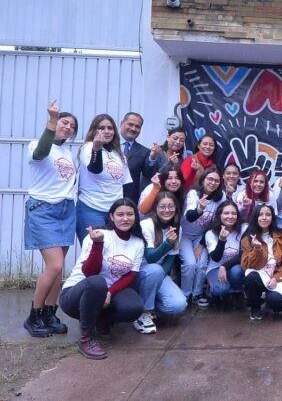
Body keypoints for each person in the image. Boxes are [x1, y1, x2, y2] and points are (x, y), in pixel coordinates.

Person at [60, 199, 145, 360]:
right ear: (111, 217)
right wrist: (97, 244)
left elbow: (131, 275)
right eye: (120, 214)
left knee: (134, 307)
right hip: (75, 295)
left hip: (106, 294)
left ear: (135, 217)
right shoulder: (99, 235)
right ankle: (86, 338)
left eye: (130, 214)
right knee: (97, 282)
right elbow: (89, 272)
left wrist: (110, 293)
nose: (125, 218)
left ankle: (101, 321)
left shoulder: (138, 242)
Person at [23, 100, 78, 338]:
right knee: (53, 265)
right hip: (43, 209)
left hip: (66, 210)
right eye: (64, 122)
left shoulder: (67, 151)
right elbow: (41, 153)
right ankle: (33, 316)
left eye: (72, 126)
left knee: (59, 268)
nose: (67, 127)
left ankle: (49, 313)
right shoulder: (38, 144)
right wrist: (52, 119)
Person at [134, 192, 186, 334]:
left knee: (179, 305)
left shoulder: (177, 228)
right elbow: (150, 258)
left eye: (170, 206)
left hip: (158, 273)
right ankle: (143, 312)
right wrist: (167, 243)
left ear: (176, 208)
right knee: (155, 270)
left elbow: (170, 259)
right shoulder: (146, 224)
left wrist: (159, 279)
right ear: (155, 208)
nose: (167, 210)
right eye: (162, 206)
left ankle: (146, 304)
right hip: (142, 272)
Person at [76, 114, 132, 243]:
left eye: (110, 128)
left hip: (114, 211)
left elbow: (126, 184)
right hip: (91, 208)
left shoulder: (119, 154)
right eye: (101, 128)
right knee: (93, 249)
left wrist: (126, 209)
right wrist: (97, 149)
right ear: (94, 130)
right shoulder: (87, 148)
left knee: (112, 251)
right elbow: (94, 169)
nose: (106, 131)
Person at [241, 204, 282, 321]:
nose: (264, 218)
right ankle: (255, 307)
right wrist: (257, 250)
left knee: (276, 302)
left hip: (275, 276)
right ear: (255, 217)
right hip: (259, 276)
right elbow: (247, 265)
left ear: (272, 217)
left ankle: (271, 300)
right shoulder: (247, 239)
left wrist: (277, 278)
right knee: (251, 278)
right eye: (260, 215)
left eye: (268, 215)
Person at [181, 167, 225, 307]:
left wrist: (202, 243)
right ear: (203, 180)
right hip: (185, 235)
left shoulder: (221, 197)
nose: (213, 183)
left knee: (201, 264)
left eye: (216, 180)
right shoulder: (194, 193)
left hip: (201, 235)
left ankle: (197, 294)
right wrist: (200, 209)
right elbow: (189, 216)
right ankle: (185, 295)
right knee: (190, 263)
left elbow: (217, 223)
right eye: (210, 179)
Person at [204, 200, 246, 306]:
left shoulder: (243, 229)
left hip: (233, 267)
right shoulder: (211, 233)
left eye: (233, 213)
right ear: (219, 215)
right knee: (220, 290)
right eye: (226, 213)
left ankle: (237, 292)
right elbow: (216, 258)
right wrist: (222, 240)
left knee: (238, 271)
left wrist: (224, 266)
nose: (230, 216)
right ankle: (214, 290)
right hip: (215, 267)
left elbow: (244, 254)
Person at [120, 112, 159, 204]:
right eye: (130, 124)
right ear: (122, 123)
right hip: (105, 198)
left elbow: (149, 174)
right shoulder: (108, 145)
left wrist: (152, 157)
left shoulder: (144, 151)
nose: (133, 129)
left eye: (137, 126)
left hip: (129, 200)